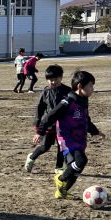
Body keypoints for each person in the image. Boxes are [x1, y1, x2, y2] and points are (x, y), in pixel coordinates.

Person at [37, 70, 105, 199]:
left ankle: (62, 191)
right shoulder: (67, 102)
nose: (92, 89)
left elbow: (86, 120)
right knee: (81, 160)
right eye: (90, 85)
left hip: (79, 138)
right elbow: (48, 117)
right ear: (80, 86)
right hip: (67, 138)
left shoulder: (83, 101)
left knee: (76, 169)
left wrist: (95, 131)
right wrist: (40, 132)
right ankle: (60, 178)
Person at [24, 64, 71, 173]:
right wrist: (38, 127)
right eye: (50, 80)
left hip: (63, 125)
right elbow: (39, 109)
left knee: (62, 147)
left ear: (61, 77)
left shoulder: (67, 91)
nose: (52, 82)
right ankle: (31, 157)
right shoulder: (45, 92)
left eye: (55, 79)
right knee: (45, 147)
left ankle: (59, 167)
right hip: (48, 124)